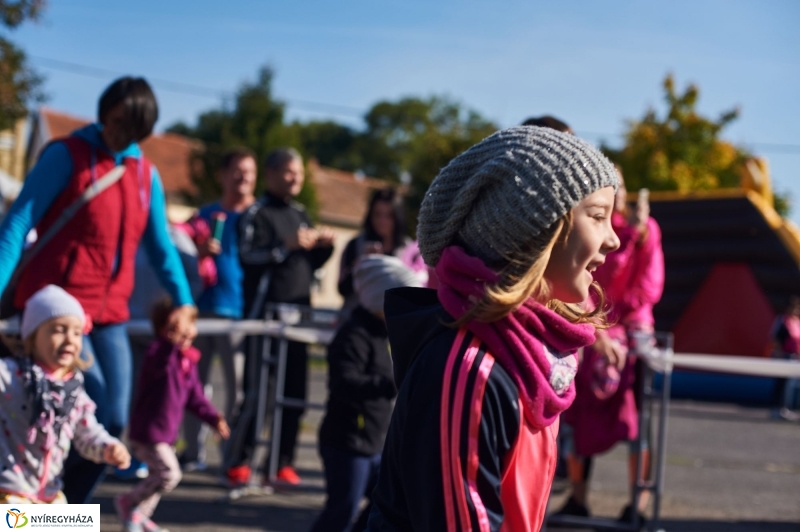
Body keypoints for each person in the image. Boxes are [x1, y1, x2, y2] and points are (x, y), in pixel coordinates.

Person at [366, 126, 621, 531]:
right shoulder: (473, 371)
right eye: (597, 217)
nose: (614, 240)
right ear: (533, 228)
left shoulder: (530, 356)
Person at [0, 77, 196, 503]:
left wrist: (183, 301)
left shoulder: (145, 174)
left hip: (109, 318)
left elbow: (160, 245)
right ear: (104, 113)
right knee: (85, 407)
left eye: (132, 127)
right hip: (57, 311)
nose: (120, 133)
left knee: (111, 422)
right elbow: (18, 222)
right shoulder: (66, 155)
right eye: (115, 122)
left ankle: (55, 514)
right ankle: (31, 509)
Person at [555, 168, 664, 526]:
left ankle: (639, 502)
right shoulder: (601, 225)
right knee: (578, 411)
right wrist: (599, 323)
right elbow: (593, 279)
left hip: (632, 333)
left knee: (638, 417)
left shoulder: (643, 229)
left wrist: (636, 234)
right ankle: (577, 495)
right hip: (596, 325)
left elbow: (648, 286)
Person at [226, 147, 334, 487]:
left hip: (300, 316)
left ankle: (281, 462)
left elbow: (305, 265)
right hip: (266, 316)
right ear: (271, 174)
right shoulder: (256, 213)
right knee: (259, 392)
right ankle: (239, 460)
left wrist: (322, 248)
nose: (296, 178)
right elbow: (246, 257)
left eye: (299, 173)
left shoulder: (301, 213)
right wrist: (283, 246)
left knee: (294, 392)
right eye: (289, 172)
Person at [311, 255, 422, 532]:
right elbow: (345, 383)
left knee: (383, 505)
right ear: (379, 297)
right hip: (348, 444)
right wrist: (392, 384)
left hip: (374, 444)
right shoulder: (353, 335)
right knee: (341, 510)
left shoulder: (383, 334)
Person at [0, 285, 131, 504]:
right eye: (59, 330)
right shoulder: (10, 375)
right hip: (9, 492)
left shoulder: (74, 389)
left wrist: (107, 447)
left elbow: (87, 432)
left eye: (77, 332)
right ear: (31, 337)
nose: (70, 339)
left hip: (50, 492)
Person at [117, 298, 230, 532]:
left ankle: (139, 517)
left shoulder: (187, 362)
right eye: (180, 326)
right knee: (169, 474)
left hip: (165, 434)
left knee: (158, 477)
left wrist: (214, 418)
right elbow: (161, 363)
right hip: (148, 433)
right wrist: (171, 340)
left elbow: (195, 397)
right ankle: (130, 505)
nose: (188, 331)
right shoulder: (158, 353)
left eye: (191, 324)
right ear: (166, 329)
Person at [180, 147, 257, 470]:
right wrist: (197, 251)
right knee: (193, 385)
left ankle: (231, 455)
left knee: (236, 390)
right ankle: (192, 452)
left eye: (249, 172)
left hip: (239, 314)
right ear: (223, 175)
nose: (243, 178)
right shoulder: (205, 215)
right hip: (201, 311)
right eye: (237, 171)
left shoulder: (257, 216)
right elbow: (177, 249)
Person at [338, 187, 426, 315]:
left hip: (392, 324)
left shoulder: (409, 249)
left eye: (389, 216)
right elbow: (342, 289)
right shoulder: (355, 245)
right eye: (377, 215)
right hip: (356, 319)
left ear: (397, 217)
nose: (382, 221)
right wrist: (360, 265)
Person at [769, 296, 800, 420]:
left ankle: (786, 408)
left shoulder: (797, 322)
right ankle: (777, 408)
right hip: (784, 356)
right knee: (781, 383)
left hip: (794, 357)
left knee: (790, 385)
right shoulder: (782, 320)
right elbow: (775, 338)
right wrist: (778, 353)